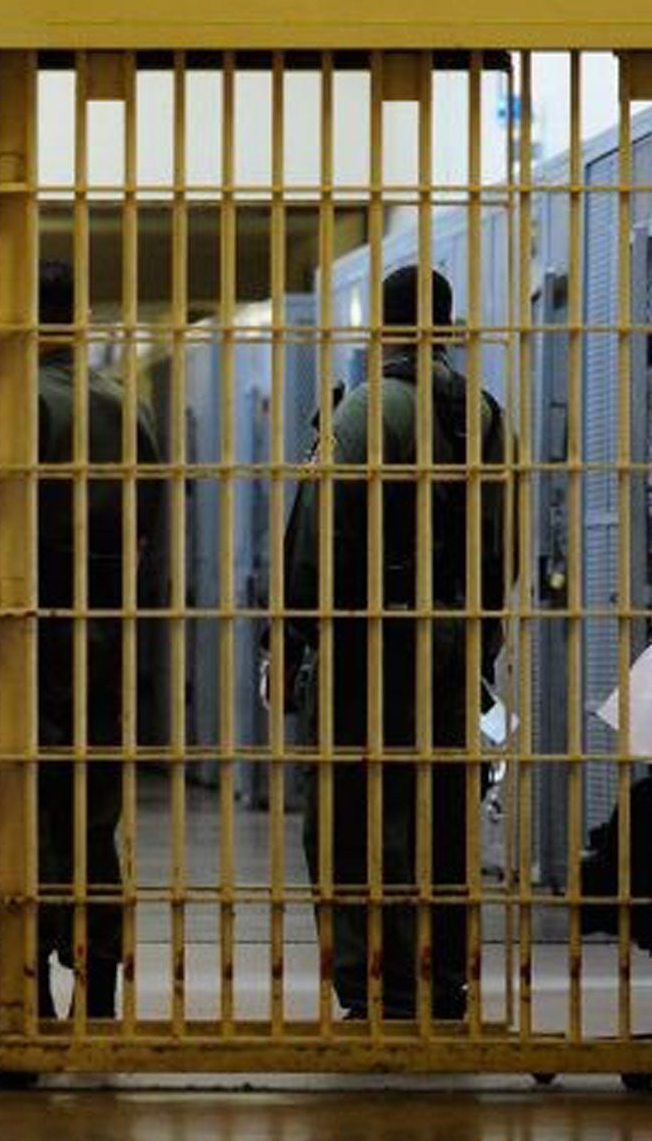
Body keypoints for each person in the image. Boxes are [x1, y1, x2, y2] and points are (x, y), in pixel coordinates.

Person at [0, 261, 162, 1066]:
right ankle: (99, 1003)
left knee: (8, 811)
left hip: (17, 644)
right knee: (92, 815)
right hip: (104, 641)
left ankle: (20, 1007)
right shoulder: (132, 410)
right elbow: (145, 538)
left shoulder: (5, 408)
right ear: (81, 316)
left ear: (13, 314)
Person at [283, 264, 513, 1023]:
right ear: (446, 326)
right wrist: (479, 641)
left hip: (367, 636)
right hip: (453, 636)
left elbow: (318, 543)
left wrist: (298, 640)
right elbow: (501, 546)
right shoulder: (482, 414)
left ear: (379, 327)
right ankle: (444, 974)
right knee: (444, 806)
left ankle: (372, 977)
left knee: (350, 810)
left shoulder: (362, 415)